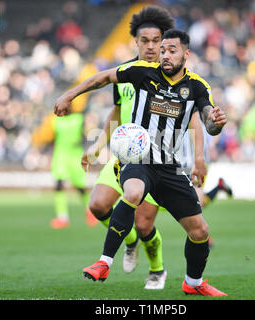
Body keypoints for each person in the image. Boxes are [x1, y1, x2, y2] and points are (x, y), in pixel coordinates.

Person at [54, 29, 228, 297]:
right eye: (163, 50)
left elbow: (208, 121)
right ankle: (104, 262)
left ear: (186, 54)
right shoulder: (142, 71)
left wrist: (215, 124)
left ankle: (193, 283)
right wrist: (70, 95)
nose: (165, 55)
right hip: (137, 158)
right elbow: (103, 77)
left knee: (200, 230)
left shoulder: (197, 86)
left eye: (172, 50)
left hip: (169, 167)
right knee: (133, 192)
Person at [81, 5, 175, 290]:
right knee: (97, 206)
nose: (150, 46)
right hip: (125, 155)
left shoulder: (173, 74)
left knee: (146, 225)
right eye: (144, 40)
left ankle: (157, 270)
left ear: (164, 42)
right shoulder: (124, 74)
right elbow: (117, 113)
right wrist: (98, 146)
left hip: (157, 158)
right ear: (135, 41)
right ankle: (129, 239)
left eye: (156, 40)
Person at [32, 112, 93, 229]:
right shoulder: (54, 120)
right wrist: (43, 151)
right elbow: (50, 138)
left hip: (75, 154)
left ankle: (89, 210)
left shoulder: (79, 119)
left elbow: (86, 136)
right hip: (60, 154)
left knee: (80, 186)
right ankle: (62, 217)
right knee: (59, 184)